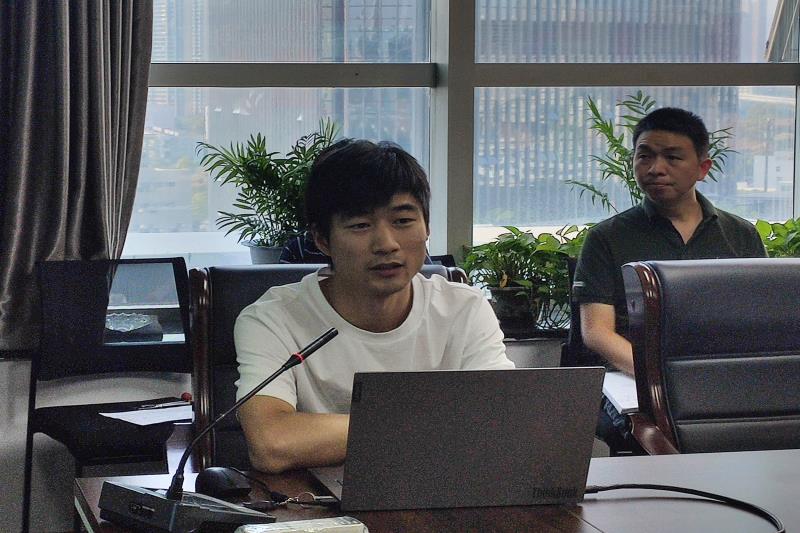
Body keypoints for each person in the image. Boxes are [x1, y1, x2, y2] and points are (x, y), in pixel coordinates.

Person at [235, 139, 514, 473]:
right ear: (322, 240)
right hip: (315, 500)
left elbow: (502, 424)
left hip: (441, 488)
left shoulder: (464, 309)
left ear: (427, 227)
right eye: (360, 226)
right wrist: (436, 424)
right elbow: (271, 443)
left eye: (403, 221)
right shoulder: (273, 318)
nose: (386, 244)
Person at [572, 107, 766, 450]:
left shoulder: (740, 235)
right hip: (632, 381)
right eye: (644, 156)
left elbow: (757, 325)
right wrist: (662, 378)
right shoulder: (607, 238)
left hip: (719, 379)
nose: (655, 168)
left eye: (672, 157)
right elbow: (597, 332)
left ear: (703, 168)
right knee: (656, 442)